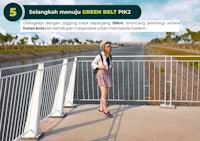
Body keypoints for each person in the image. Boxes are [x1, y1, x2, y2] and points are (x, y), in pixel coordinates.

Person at [91, 41, 113, 117]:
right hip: (100, 75)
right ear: (103, 47)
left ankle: (101, 108)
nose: (109, 48)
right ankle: (105, 110)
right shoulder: (100, 56)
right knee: (103, 93)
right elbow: (93, 63)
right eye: (107, 46)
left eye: (110, 46)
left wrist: (111, 66)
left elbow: (108, 65)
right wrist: (99, 66)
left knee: (105, 92)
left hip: (107, 74)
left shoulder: (109, 56)